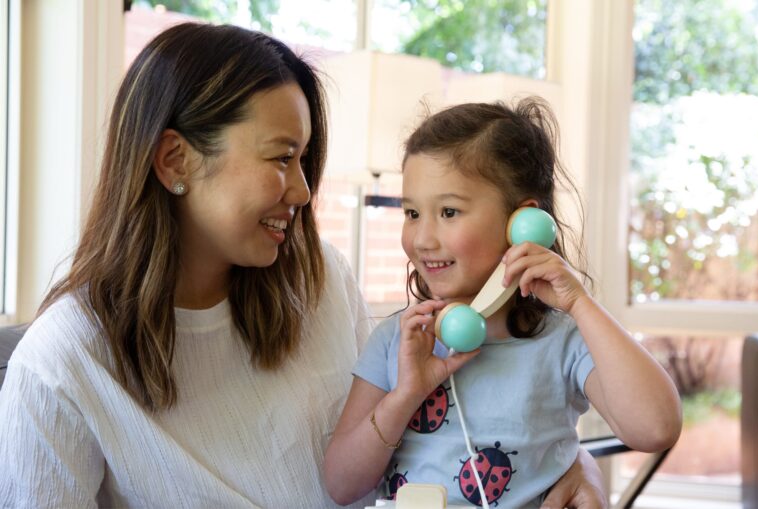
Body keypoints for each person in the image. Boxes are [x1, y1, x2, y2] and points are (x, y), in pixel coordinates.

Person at [0, 22, 607, 509]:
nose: (302, 191)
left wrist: (570, 465)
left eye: (304, 160)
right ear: (174, 161)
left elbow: (419, 429)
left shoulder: (319, 278)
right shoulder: (60, 364)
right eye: (282, 158)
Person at [323, 98, 683, 508]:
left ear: (520, 223)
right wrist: (405, 394)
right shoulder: (395, 341)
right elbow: (341, 484)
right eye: (412, 213)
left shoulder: (563, 341)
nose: (422, 238)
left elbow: (657, 428)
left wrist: (580, 304)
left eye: (449, 211)